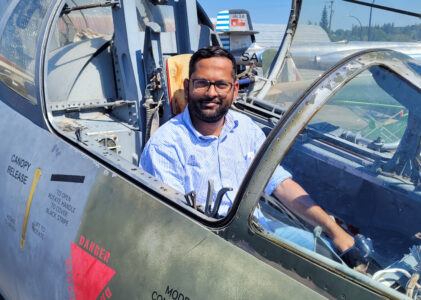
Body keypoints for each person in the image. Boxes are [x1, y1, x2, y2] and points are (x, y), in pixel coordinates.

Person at [140, 46, 356, 256]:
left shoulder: (246, 129)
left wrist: (332, 228)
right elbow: (175, 222)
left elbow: (279, 183)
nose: (211, 93)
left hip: (258, 228)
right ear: (188, 87)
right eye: (202, 83)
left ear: (234, 90)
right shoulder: (165, 145)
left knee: (327, 254)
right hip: (209, 244)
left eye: (221, 85)